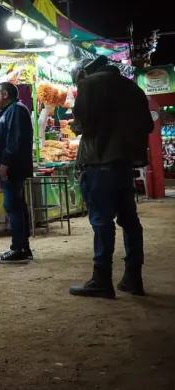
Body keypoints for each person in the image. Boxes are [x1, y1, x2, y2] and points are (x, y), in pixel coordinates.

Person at [69, 57, 153, 298]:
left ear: (84, 71)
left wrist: (81, 127)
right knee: (129, 220)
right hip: (125, 164)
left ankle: (102, 278)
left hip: (98, 162)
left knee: (101, 221)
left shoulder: (89, 85)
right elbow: (148, 125)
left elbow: (82, 124)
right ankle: (133, 276)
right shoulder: (133, 89)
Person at [0, 82, 34, 264]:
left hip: (13, 168)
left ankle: (19, 249)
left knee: (13, 206)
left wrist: (5, 163)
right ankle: (22, 246)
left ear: (5, 94)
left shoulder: (16, 110)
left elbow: (14, 140)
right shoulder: (9, 111)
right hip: (11, 167)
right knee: (16, 205)